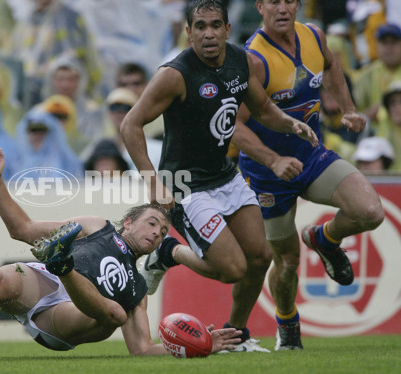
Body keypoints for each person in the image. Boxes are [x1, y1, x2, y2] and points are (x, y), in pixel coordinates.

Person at [0, 138, 242, 356]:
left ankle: (64, 266)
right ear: (128, 222)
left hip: (67, 319)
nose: (158, 233)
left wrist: (203, 345)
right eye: (152, 223)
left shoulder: (138, 288)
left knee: (115, 312)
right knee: (2, 278)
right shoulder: (95, 226)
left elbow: (142, 349)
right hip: (49, 281)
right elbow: (22, 229)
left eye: (163, 232)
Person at [120, 0, 319, 353]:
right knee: (232, 269)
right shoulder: (175, 74)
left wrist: (290, 123)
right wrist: (153, 180)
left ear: (228, 30)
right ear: (188, 32)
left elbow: (261, 108)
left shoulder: (239, 60)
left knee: (260, 257)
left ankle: (237, 335)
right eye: (200, 26)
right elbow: (130, 124)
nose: (208, 33)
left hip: (225, 177)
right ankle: (169, 252)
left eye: (215, 25)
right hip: (187, 186)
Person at [232, 0, 384, 351]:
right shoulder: (253, 60)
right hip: (268, 175)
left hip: (311, 155)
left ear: (298, 5)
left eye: (289, 0)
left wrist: (347, 108)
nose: (282, 8)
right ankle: (287, 324)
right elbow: (232, 127)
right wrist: (272, 161)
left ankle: (325, 238)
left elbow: (330, 65)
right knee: (287, 262)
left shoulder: (314, 36)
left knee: (370, 211)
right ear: (260, 6)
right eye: (273, 1)